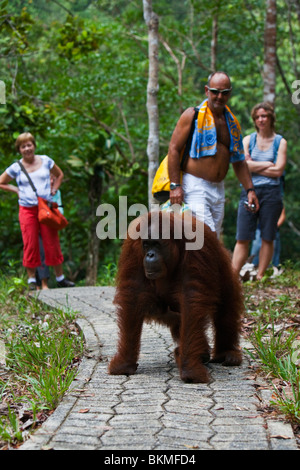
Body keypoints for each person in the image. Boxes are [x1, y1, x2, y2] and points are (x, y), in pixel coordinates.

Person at [168, 71, 258, 238]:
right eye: (215, 91)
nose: (219, 97)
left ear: (229, 93)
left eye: (224, 93)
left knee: (211, 239)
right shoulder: (192, 115)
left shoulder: (231, 123)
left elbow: (238, 161)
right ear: (206, 90)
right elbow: (173, 148)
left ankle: (195, 265)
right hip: (195, 185)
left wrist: (250, 190)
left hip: (218, 189)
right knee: (208, 237)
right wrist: (175, 186)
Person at [0, 132, 75, 290]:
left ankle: (60, 278)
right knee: (30, 243)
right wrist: (16, 190)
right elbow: (2, 182)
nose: (27, 148)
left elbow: (59, 174)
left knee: (51, 241)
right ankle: (32, 280)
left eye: (29, 145)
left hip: (45, 208)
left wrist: (54, 189)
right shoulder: (16, 167)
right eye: (23, 146)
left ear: (34, 145)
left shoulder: (46, 161)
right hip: (27, 209)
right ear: (19, 149)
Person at [232, 102, 287, 280]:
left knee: (267, 236)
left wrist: (253, 166)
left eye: (264, 116)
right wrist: (267, 165)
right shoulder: (248, 140)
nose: (261, 120)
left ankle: (260, 275)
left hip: (272, 193)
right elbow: (242, 165)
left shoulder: (280, 142)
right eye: (257, 117)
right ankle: (232, 277)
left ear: (271, 117)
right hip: (249, 190)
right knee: (243, 236)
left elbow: (279, 170)